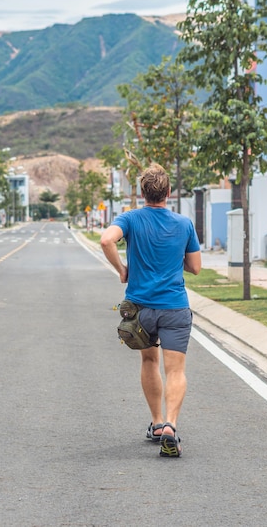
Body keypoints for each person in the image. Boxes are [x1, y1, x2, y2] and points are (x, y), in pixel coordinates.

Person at [100, 163, 201, 457]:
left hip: (141, 309)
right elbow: (195, 267)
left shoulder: (129, 219)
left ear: (142, 193)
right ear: (168, 193)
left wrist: (122, 269)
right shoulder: (184, 224)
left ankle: (156, 423)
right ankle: (171, 425)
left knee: (148, 362)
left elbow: (107, 239)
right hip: (174, 307)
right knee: (176, 370)